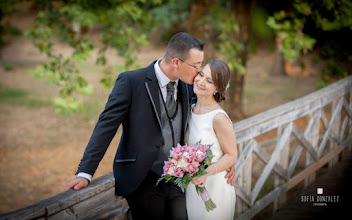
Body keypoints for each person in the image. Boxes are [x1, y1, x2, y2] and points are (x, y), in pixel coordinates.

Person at [64, 33, 236, 220]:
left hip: (178, 181)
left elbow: (209, 115)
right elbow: (105, 127)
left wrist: (223, 163)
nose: (199, 72)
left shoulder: (188, 87)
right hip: (142, 179)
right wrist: (85, 172)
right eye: (196, 66)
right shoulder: (131, 82)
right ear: (176, 62)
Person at [185, 59, 238, 219]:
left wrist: (206, 173)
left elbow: (232, 155)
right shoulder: (189, 108)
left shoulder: (218, 117)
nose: (201, 82)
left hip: (214, 187)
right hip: (192, 186)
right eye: (201, 75)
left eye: (209, 81)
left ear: (218, 88)